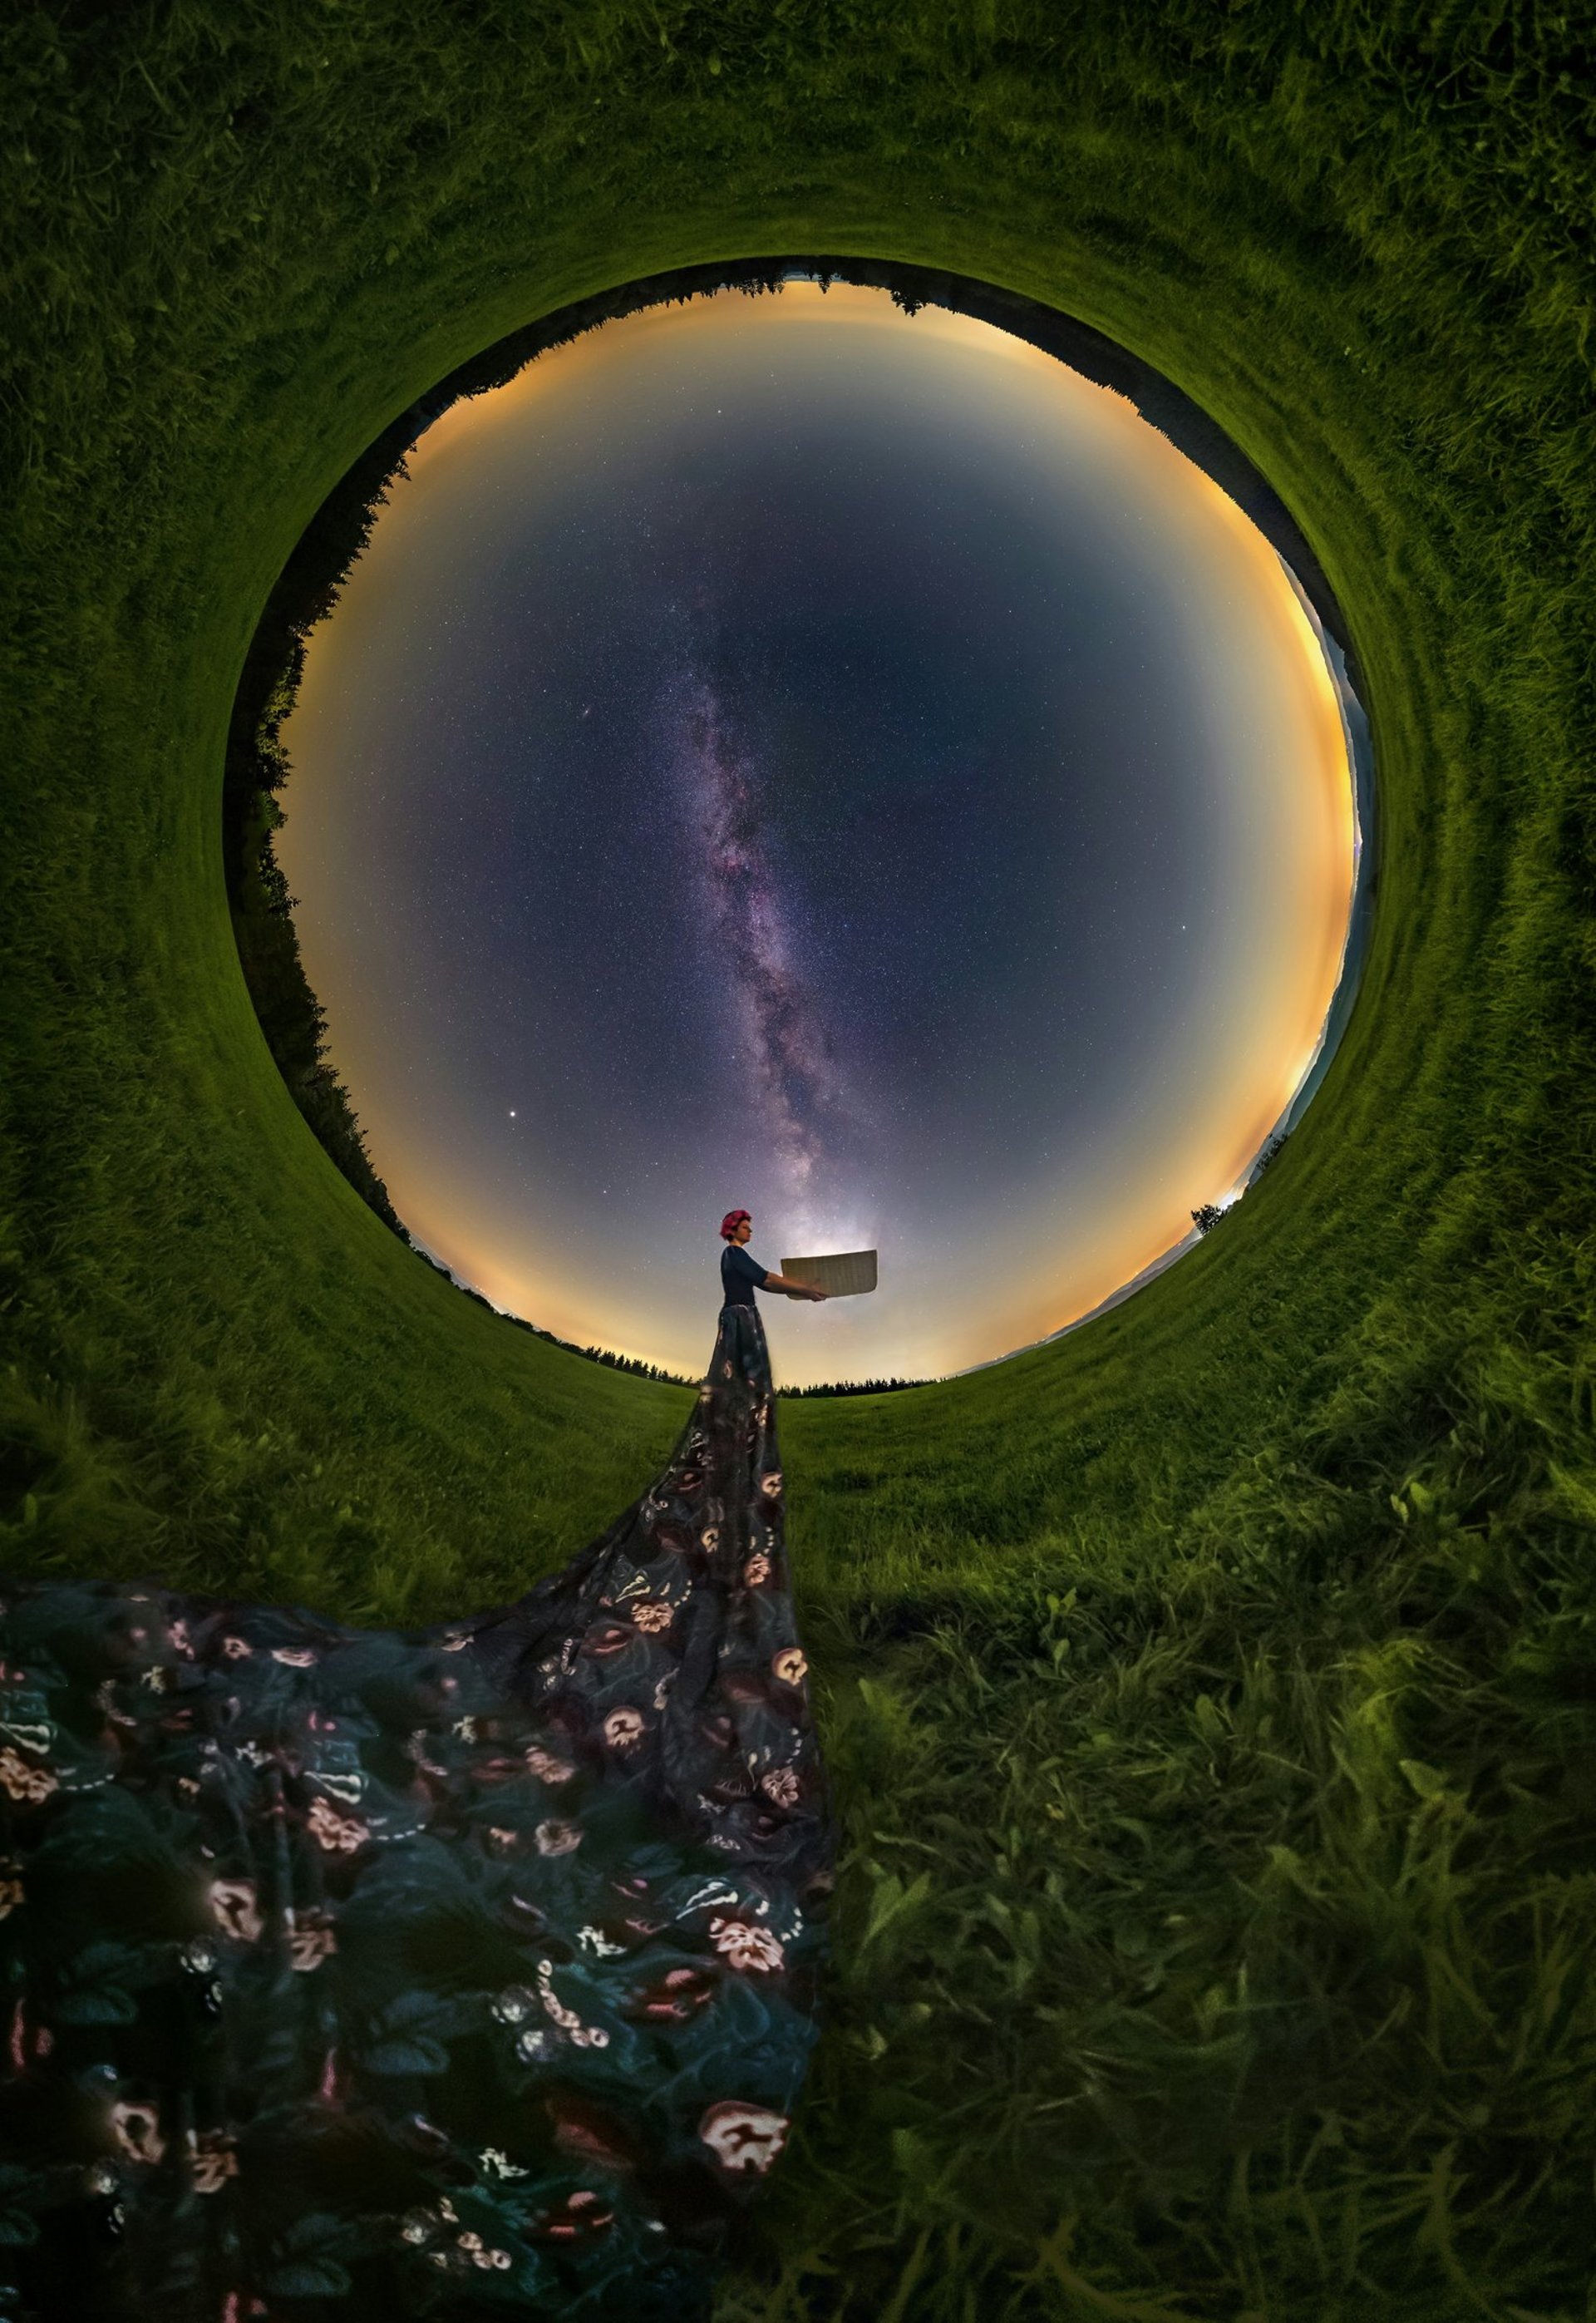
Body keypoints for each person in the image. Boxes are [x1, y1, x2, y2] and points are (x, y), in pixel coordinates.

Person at [0, 1214, 836, 2322]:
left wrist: (800, 1296)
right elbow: (761, 1280)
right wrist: (795, 1290)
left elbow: (769, 1284)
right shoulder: (736, 1269)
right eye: (738, 1228)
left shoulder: (740, 1278)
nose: (738, 1233)